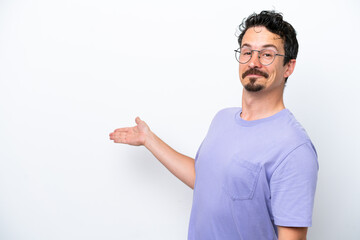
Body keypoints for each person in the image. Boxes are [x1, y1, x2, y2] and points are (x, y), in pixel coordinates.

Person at [109, 10, 318, 240]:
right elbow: (207, 181)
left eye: (267, 54)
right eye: (247, 52)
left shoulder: (294, 149)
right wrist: (149, 139)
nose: (254, 62)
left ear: (288, 67)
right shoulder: (223, 119)